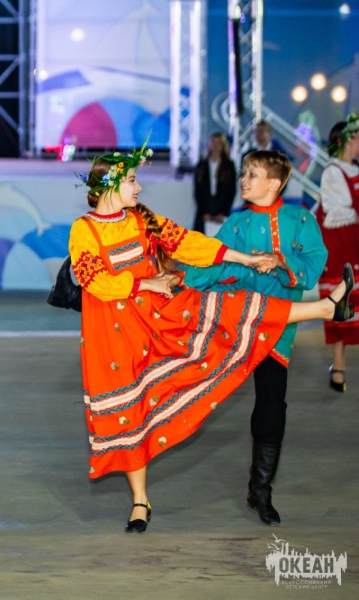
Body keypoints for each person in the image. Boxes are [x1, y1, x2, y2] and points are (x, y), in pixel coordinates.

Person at [68, 144, 354, 534]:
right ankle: (139, 501)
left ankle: (324, 308)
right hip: (117, 332)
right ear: (112, 185)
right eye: (133, 180)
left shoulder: (143, 219)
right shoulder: (83, 229)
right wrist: (155, 281)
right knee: (130, 411)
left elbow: (190, 243)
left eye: (136, 180)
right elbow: (94, 279)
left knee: (245, 329)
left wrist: (247, 259)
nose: (139, 188)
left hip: (173, 319)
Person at [183, 150, 327, 526]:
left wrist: (281, 262)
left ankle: (260, 490)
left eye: (252, 174)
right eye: (244, 172)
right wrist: (178, 278)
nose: (243, 179)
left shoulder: (300, 219)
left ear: (274, 183)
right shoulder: (237, 222)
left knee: (271, 404)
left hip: (276, 328)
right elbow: (213, 262)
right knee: (186, 381)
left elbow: (312, 267)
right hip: (235, 323)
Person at [318, 113, 359, 392]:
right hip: (341, 245)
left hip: (353, 241)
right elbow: (339, 212)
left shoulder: (354, 169)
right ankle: (339, 370)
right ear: (346, 141)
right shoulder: (333, 171)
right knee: (342, 304)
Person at [193, 132, 237, 234]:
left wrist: (223, 212)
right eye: (213, 143)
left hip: (221, 212)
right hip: (204, 212)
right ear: (209, 145)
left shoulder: (229, 166)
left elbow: (231, 192)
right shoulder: (201, 166)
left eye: (218, 143)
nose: (215, 146)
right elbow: (197, 192)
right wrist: (204, 212)